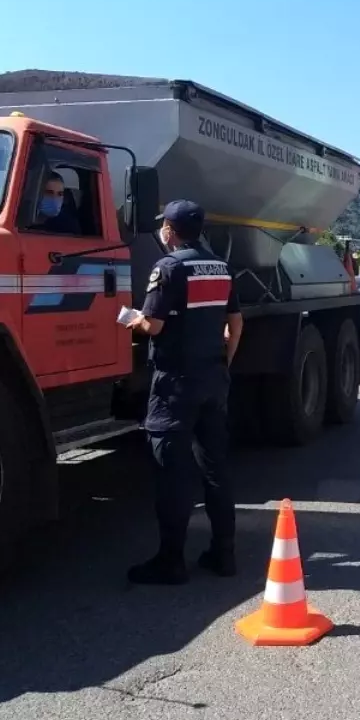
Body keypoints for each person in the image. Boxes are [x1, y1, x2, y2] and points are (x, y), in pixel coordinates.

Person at [126, 200, 244, 584]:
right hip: (213, 379)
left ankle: (170, 562)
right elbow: (235, 323)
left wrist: (131, 319)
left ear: (170, 231)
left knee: (172, 473)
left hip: (175, 384)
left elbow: (154, 326)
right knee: (215, 470)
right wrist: (224, 360)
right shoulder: (219, 267)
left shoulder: (169, 267)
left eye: (164, 225)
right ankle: (223, 555)